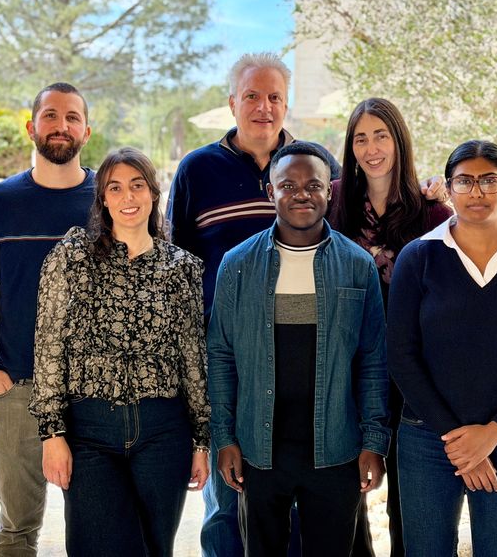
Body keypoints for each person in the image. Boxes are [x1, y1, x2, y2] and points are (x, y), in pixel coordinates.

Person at [166, 52, 342, 557]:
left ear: (286, 105)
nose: (263, 107)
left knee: (289, 498)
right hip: (227, 357)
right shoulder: (198, 170)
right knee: (227, 496)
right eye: (251, 96)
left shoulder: (318, 165)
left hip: (304, 358)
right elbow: (179, 265)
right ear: (232, 102)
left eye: (274, 97)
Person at [207, 142, 390, 556]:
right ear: (270, 192)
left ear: (330, 191)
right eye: (288, 185)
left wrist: (374, 442)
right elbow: (219, 355)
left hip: (336, 449)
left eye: (314, 184)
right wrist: (225, 438)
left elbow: (373, 361)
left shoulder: (356, 264)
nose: (302, 193)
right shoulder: (237, 265)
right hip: (259, 448)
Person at [387, 140, 497, 556]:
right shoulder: (419, 257)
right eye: (464, 181)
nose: (477, 192)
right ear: (448, 189)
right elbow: (402, 355)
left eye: (489, 180)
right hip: (427, 438)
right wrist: (459, 442)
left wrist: (491, 436)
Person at [29, 147, 210, 557]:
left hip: (164, 430)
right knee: (96, 545)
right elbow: (49, 346)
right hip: (90, 429)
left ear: (152, 193)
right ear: (103, 199)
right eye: (116, 188)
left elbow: (192, 358)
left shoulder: (181, 267)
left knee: (153, 547)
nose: (128, 197)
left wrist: (201, 440)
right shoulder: (71, 257)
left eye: (137, 186)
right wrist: (52, 434)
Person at [0, 82, 96, 556]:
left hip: (94, 391)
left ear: (87, 130)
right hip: (18, 387)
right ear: (32, 127)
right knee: (17, 529)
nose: (60, 126)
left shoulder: (110, 197)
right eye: (50, 115)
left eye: (71, 117)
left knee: (94, 526)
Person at [329, 97, 451, 556]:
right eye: (361, 138)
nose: (371, 147)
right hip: (346, 368)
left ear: (399, 141)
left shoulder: (433, 213)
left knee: (409, 503)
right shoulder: (334, 201)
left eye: (381, 135)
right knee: (343, 497)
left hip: (411, 373)